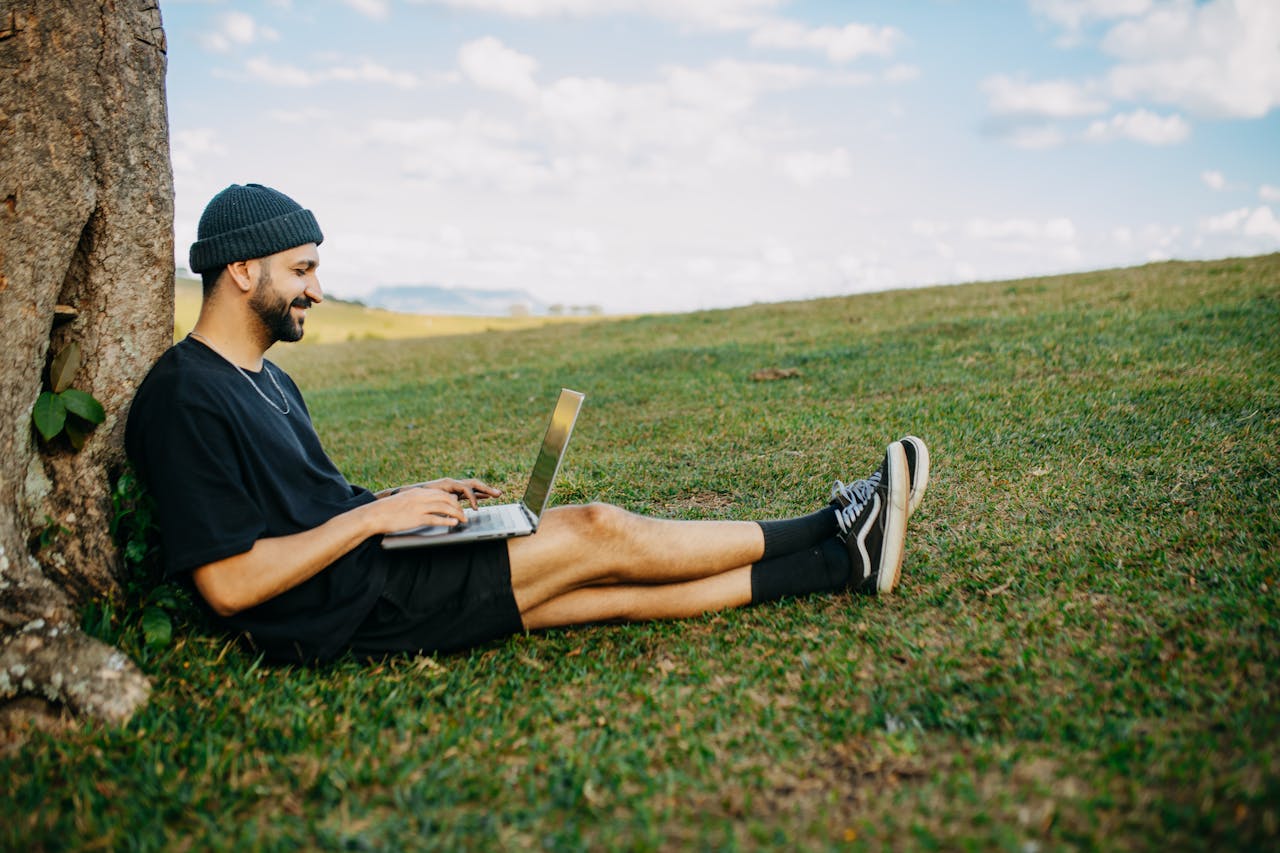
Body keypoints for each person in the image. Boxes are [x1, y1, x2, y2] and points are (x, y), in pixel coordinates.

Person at [126, 183, 930, 664]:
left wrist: (410, 498)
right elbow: (229, 584)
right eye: (302, 269)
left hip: (368, 575)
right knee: (595, 531)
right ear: (241, 270)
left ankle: (838, 567)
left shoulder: (266, 380)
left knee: (594, 589)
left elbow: (311, 508)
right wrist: (377, 517)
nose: (317, 289)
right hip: (339, 609)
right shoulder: (184, 396)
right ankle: (835, 521)